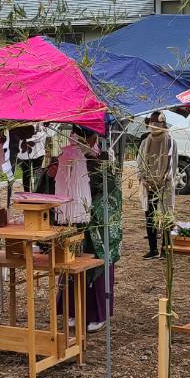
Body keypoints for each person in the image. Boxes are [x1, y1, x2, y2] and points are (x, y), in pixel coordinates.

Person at [82, 132, 121, 333]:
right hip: (78, 220)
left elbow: (112, 194)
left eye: (84, 137)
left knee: (98, 266)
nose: (82, 142)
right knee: (74, 265)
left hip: (99, 222)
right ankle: (74, 310)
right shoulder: (69, 158)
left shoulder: (105, 159)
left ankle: (98, 313)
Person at [136, 111, 174, 259]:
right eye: (152, 122)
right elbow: (140, 162)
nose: (154, 125)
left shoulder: (170, 141)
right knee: (150, 216)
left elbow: (172, 163)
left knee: (165, 215)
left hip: (164, 185)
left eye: (157, 122)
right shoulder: (146, 141)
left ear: (163, 123)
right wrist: (143, 179)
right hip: (149, 184)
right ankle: (153, 249)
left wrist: (166, 177)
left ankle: (165, 247)